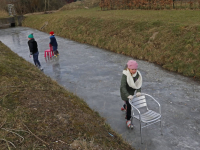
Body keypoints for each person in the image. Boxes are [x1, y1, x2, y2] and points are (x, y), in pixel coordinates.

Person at [120, 60, 142, 128]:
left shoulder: (137, 74)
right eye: (132, 69)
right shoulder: (125, 75)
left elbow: (138, 83)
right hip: (125, 92)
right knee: (129, 105)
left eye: (135, 69)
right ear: (129, 68)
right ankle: (128, 120)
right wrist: (127, 95)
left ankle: (124, 106)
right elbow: (123, 86)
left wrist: (138, 91)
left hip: (132, 91)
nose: (134, 71)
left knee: (128, 103)